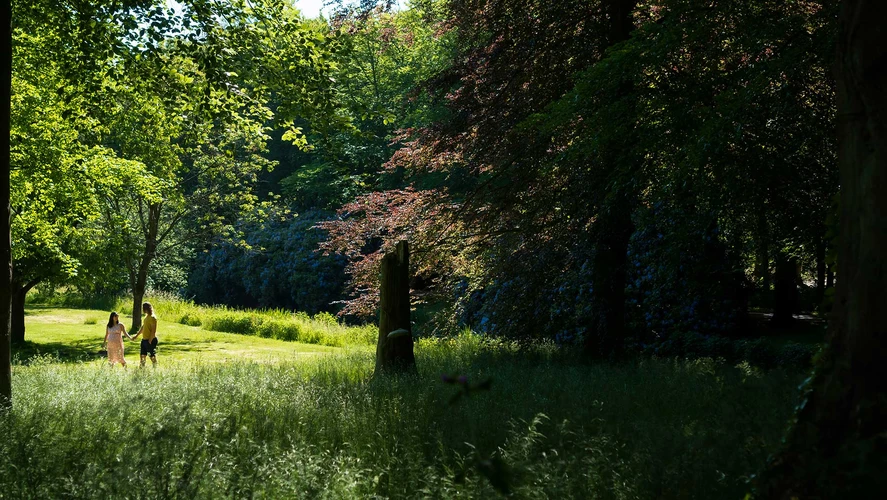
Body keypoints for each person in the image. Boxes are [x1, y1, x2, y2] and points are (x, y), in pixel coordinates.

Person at [131, 302, 159, 367]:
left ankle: (155, 368)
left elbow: (153, 331)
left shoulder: (153, 318)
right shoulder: (146, 317)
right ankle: (142, 370)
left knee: (151, 355)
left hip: (150, 340)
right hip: (144, 340)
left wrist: (150, 341)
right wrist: (136, 335)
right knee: (142, 356)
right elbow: (143, 327)